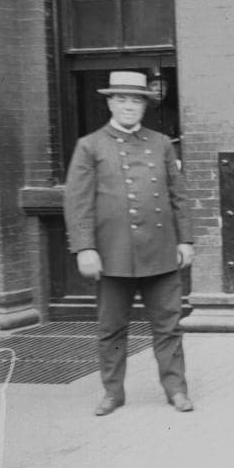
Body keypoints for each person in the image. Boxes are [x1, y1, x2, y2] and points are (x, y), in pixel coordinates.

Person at [63, 70, 195, 416]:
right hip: (113, 254)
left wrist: (186, 240)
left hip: (161, 251)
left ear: (145, 105)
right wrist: (84, 247)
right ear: (110, 102)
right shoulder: (90, 146)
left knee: (168, 326)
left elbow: (178, 194)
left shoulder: (161, 143)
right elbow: (77, 201)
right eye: (121, 99)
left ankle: (176, 389)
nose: (128, 106)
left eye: (135, 100)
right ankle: (112, 392)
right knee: (111, 329)